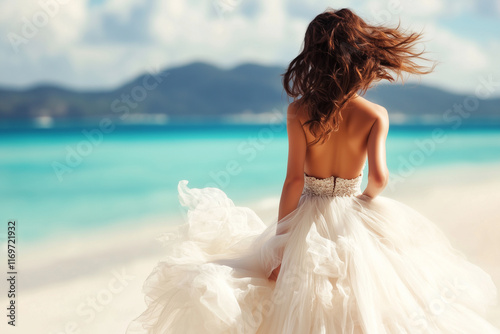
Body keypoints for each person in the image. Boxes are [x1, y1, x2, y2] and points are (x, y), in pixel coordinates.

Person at [126, 7, 500, 333]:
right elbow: (380, 178)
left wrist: (280, 245)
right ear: (360, 56)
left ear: (313, 58)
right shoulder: (375, 115)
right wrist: (362, 202)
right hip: (353, 212)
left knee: (297, 300)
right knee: (365, 299)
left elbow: (292, 180)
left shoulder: (299, 111)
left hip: (309, 213)